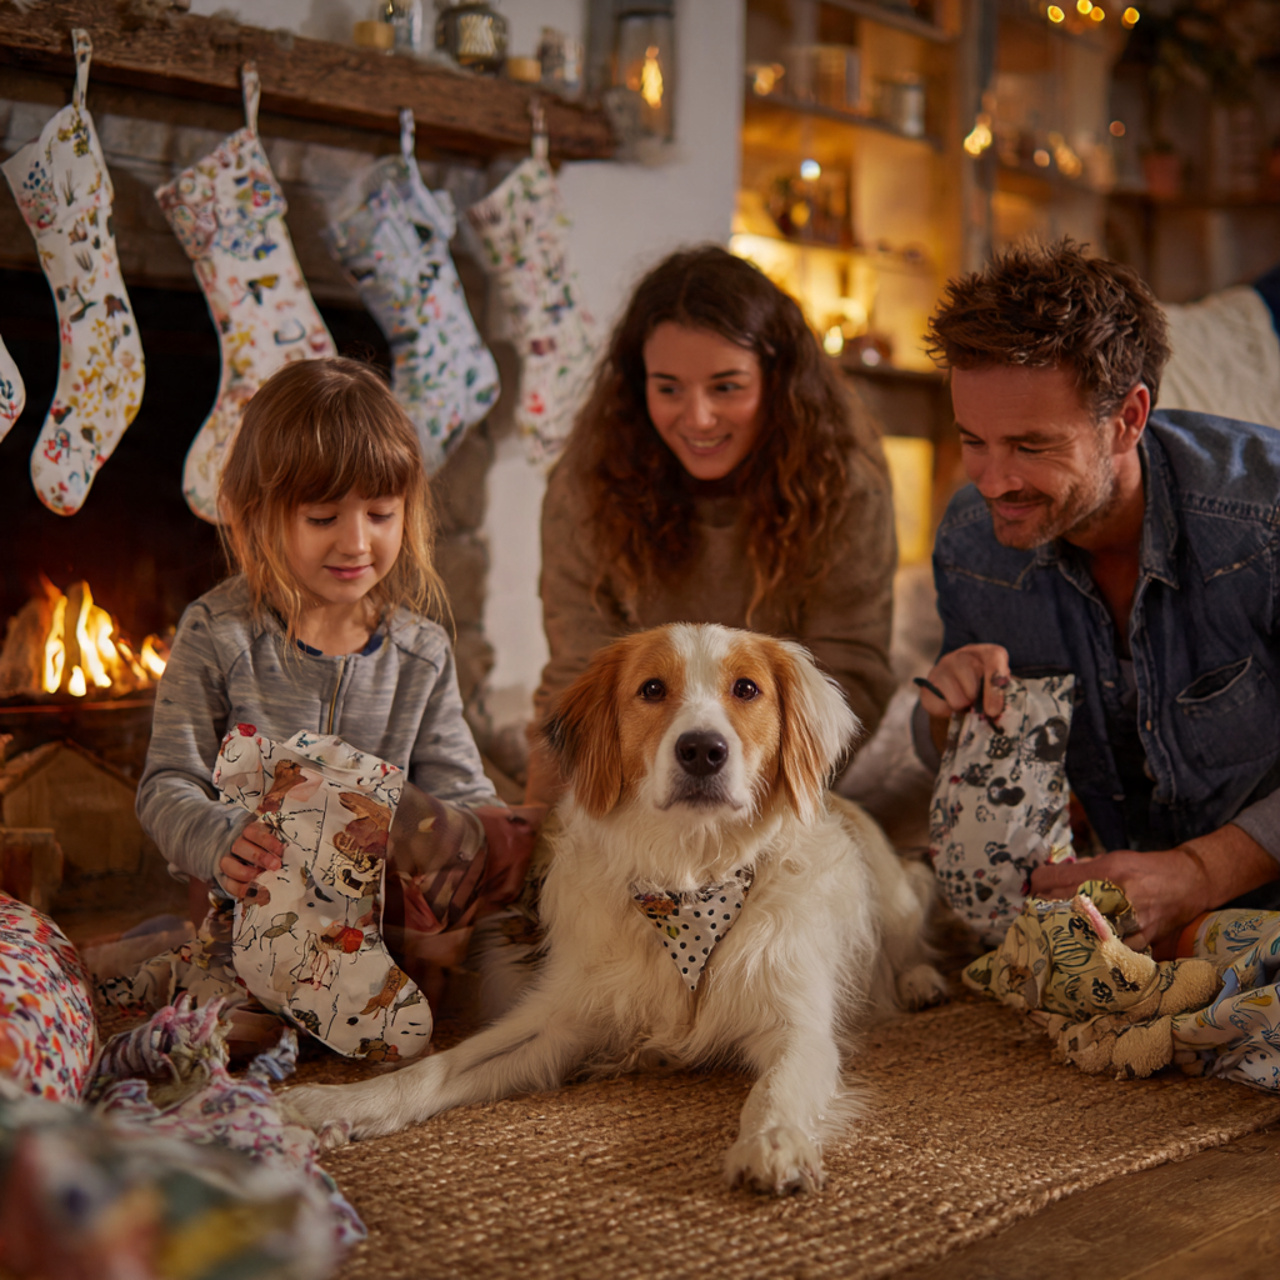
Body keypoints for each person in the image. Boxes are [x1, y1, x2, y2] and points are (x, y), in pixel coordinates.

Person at [915, 238, 1280, 954]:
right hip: (1105, 927)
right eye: (973, 440)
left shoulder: (1265, 523)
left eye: (1030, 446)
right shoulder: (970, 542)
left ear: (1128, 419)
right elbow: (971, 761)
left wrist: (1197, 874)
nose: (992, 481)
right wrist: (943, 716)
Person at [136, 357, 533, 934]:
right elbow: (167, 784)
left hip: (379, 924)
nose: (356, 543)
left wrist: (481, 838)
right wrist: (219, 839)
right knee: (233, 1015)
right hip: (247, 920)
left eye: (380, 514)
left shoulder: (419, 653)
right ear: (258, 515)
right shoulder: (217, 634)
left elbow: (458, 789)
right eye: (323, 517)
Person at [526, 244, 898, 803]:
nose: (697, 418)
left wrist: (754, 793)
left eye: (727, 387)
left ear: (778, 381)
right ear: (636, 386)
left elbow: (848, 679)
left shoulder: (846, 486)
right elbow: (578, 679)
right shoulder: (585, 488)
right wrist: (539, 824)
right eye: (668, 388)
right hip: (643, 785)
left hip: (769, 779)